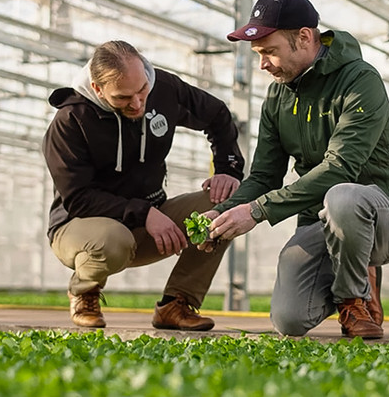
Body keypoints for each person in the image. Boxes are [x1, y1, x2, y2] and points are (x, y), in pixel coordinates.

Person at [199, 0, 389, 339]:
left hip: (382, 219)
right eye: (258, 54)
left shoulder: (361, 81)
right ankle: (354, 274)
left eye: (270, 52)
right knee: (290, 320)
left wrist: (256, 212)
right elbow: (265, 176)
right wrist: (224, 213)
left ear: (304, 37)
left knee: (343, 197)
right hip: (320, 221)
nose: (263, 64)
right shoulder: (277, 95)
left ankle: (353, 298)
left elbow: (340, 168)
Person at [42, 40, 244, 330]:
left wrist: (228, 169)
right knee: (114, 239)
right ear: (98, 89)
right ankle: (85, 292)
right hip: (83, 227)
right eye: (123, 97)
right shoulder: (72, 120)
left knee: (224, 208)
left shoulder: (163, 88)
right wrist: (145, 213)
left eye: (142, 91)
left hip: (150, 220)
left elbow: (217, 114)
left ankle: (177, 304)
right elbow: (78, 198)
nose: (137, 103)